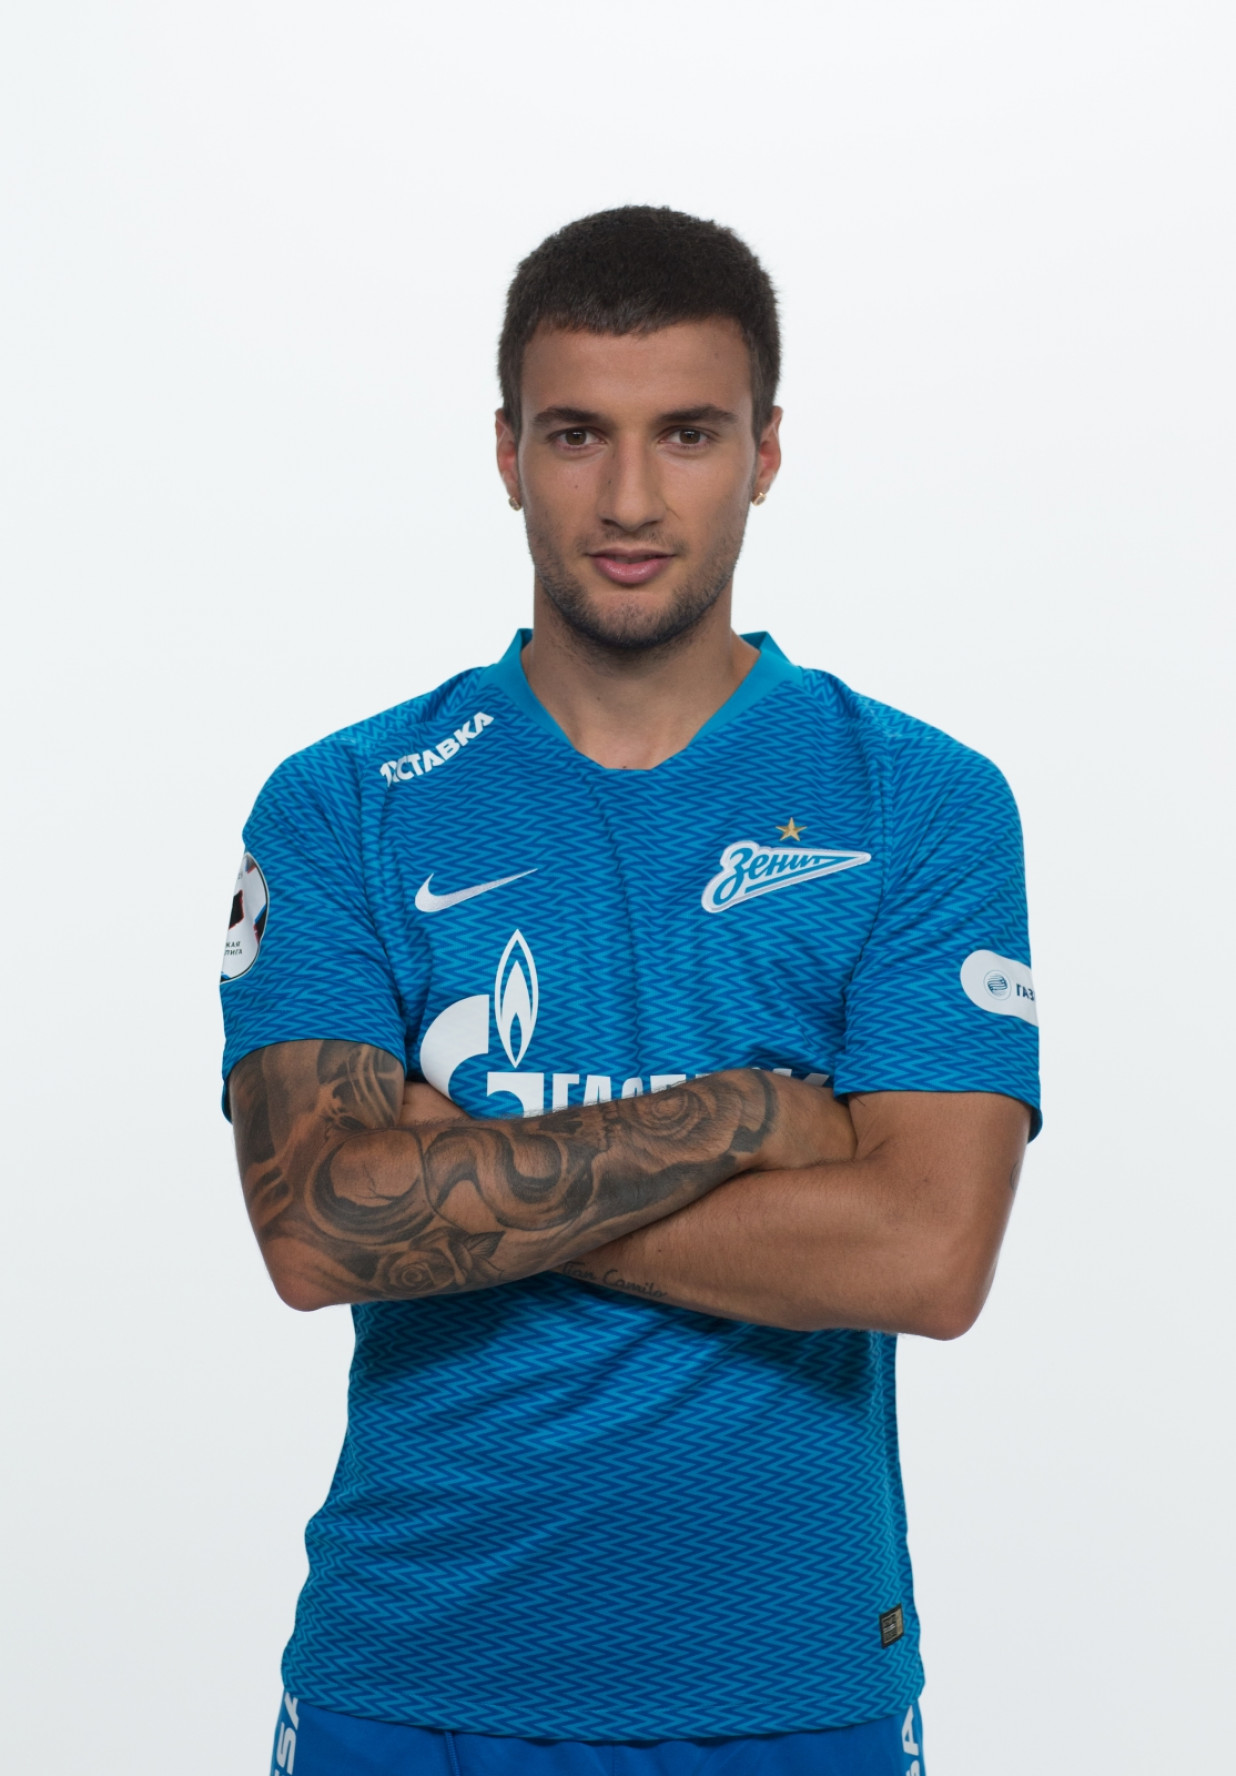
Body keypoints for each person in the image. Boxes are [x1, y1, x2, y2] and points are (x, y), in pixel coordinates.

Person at [221, 205, 1039, 1776]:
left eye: (689, 434)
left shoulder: (919, 801)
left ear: (767, 451)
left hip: (792, 1682)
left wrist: (457, 1178)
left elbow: (928, 1255)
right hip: (414, 1674)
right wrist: (746, 1120)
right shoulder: (345, 804)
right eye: (577, 433)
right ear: (508, 452)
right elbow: (318, 1229)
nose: (631, 499)